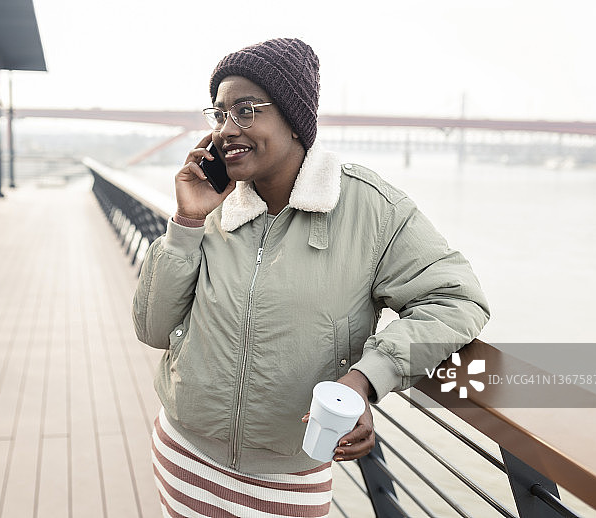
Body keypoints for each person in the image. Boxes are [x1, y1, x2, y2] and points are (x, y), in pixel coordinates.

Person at [132, 38, 490, 518]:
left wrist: (366, 379)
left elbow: (457, 301)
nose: (224, 130)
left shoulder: (372, 210)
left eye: (245, 110)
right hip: (182, 453)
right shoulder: (217, 205)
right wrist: (186, 222)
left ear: (296, 120)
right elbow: (153, 329)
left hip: (287, 481)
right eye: (218, 114)